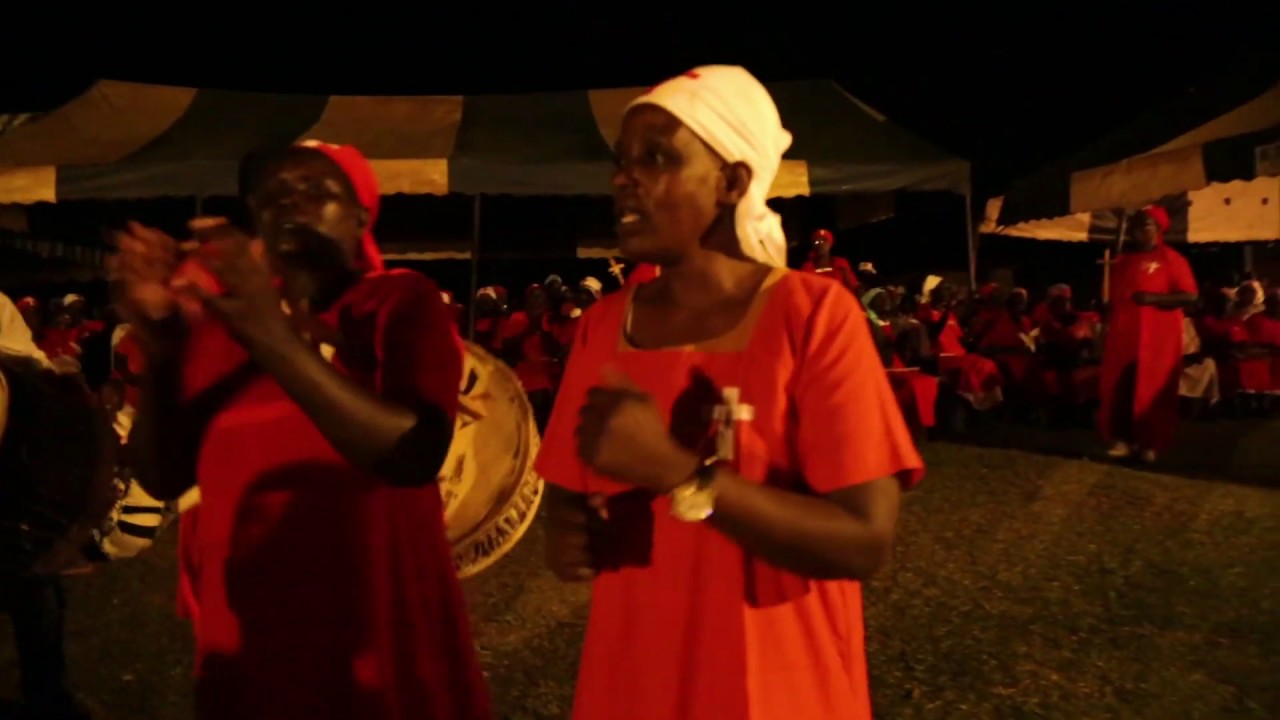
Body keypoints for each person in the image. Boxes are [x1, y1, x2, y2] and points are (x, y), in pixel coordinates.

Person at [538, 66, 923, 720]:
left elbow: (865, 540)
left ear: (733, 182)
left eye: (655, 157)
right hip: (635, 676)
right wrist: (568, 529)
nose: (622, 177)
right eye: (622, 161)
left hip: (776, 684)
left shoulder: (813, 315)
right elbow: (566, 491)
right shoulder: (604, 326)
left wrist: (675, 471)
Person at [116, 141, 490, 719]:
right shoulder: (222, 326)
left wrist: (272, 332)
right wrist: (164, 347)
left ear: (362, 216)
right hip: (253, 632)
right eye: (274, 194)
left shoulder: (394, 301)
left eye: (319, 190)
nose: (293, 200)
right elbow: (161, 474)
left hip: (375, 628)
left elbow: (414, 452)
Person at [1099, 205, 1198, 462]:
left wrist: (1154, 298)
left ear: (1158, 229)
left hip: (1158, 337)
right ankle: (1121, 438)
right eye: (1136, 226)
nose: (1137, 231)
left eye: (1144, 225)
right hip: (1124, 335)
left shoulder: (1171, 259)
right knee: (1121, 386)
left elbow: (1189, 295)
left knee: (1153, 388)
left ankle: (1150, 443)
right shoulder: (1122, 260)